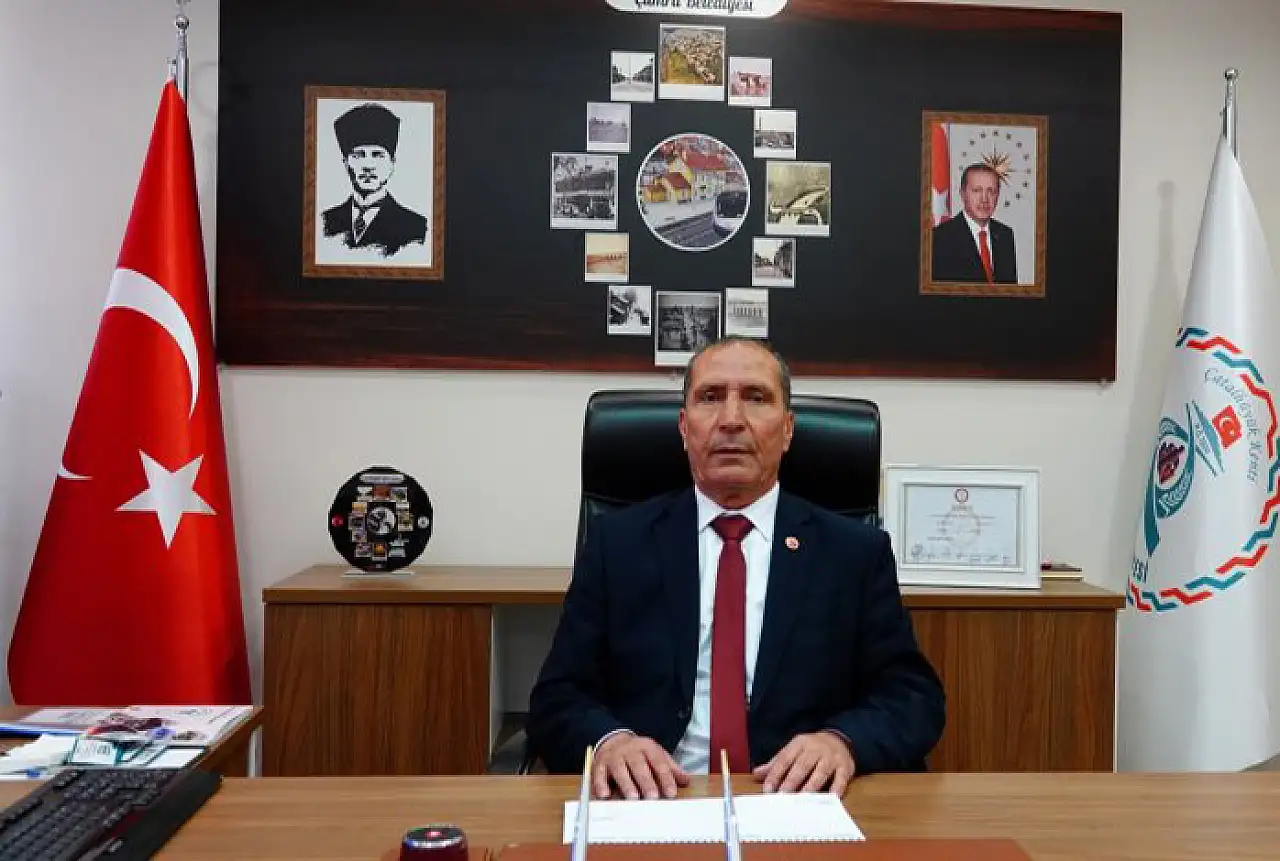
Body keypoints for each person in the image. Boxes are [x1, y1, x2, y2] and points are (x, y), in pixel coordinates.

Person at [526, 337, 945, 800]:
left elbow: (911, 698)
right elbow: (557, 697)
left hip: (796, 799)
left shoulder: (854, 553)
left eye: (756, 397)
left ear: (788, 429)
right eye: (710, 397)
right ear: (684, 427)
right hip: (654, 797)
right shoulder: (617, 544)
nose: (731, 419)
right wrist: (611, 741)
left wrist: (841, 741)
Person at [321, 102, 428, 257]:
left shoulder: (417, 228)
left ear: (392, 163)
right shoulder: (325, 223)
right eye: (358, 155)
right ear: (345, 163)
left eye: (378, 155)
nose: (368, 165)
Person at [931, 163, 1017, 284]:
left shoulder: (1005, 235)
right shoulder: (939, 238)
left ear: (998, 195)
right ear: (962, 194)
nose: (984, 199)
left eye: (991, 191)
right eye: (977, 190)